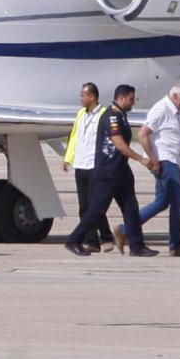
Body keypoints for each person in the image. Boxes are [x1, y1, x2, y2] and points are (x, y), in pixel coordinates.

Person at [64, 84, 158, 257]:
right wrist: (141, 159)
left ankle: (137, 246)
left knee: (131, 209)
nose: (133, 102)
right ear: (121, 98)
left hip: (121, 171)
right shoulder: (112, 117)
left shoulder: (121, 115)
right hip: (109, 173)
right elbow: (119, 144)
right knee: (96, 210)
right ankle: (74, 240)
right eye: (131, 99)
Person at [119, 85, 180, 257]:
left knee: (162, 202)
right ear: (175, 96)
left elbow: (170, 139)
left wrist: (178, 163)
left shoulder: (174, 111)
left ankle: (125, 229)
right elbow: (142, 134)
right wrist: (153, 159)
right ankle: (175, 245)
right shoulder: (162, 109)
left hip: (171, 162)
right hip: (164, 162)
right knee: (178, 203)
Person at [62, 82, 113, 253]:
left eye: (83, 95)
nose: (80, 98)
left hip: (95, 165)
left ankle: (106, 236)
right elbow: (75, 136)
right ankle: (92, 241)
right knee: (84, 206)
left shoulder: (104, 115)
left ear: (92, 97)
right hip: (80, 165)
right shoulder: (80, 114)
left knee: (95, 205)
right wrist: (68, 158)